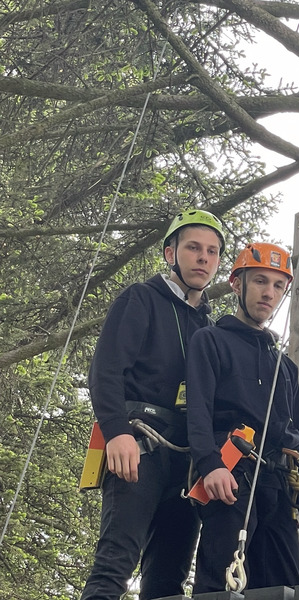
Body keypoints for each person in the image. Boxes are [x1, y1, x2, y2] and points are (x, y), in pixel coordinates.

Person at [82, 209, 225, 600]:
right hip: (139, 446)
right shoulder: (141, 299)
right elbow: (105, 371)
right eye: (193, 248)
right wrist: (117, 433)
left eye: (212, 252)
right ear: (169, 253)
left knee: (167, 584)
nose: (203, 258)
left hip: (186, 461)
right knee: (114, 566)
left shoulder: (210, 329)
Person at [186, 242, 299, 594]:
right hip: (232, 472)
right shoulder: (211, 341)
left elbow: (296, 437)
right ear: (236, 283)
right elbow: (197, 411)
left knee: (287, 587)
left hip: (277, 481)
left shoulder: (284, 367)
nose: (269, 293)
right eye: (260, 281)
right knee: (222, 581)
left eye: (278, 286)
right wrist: (210, 464)